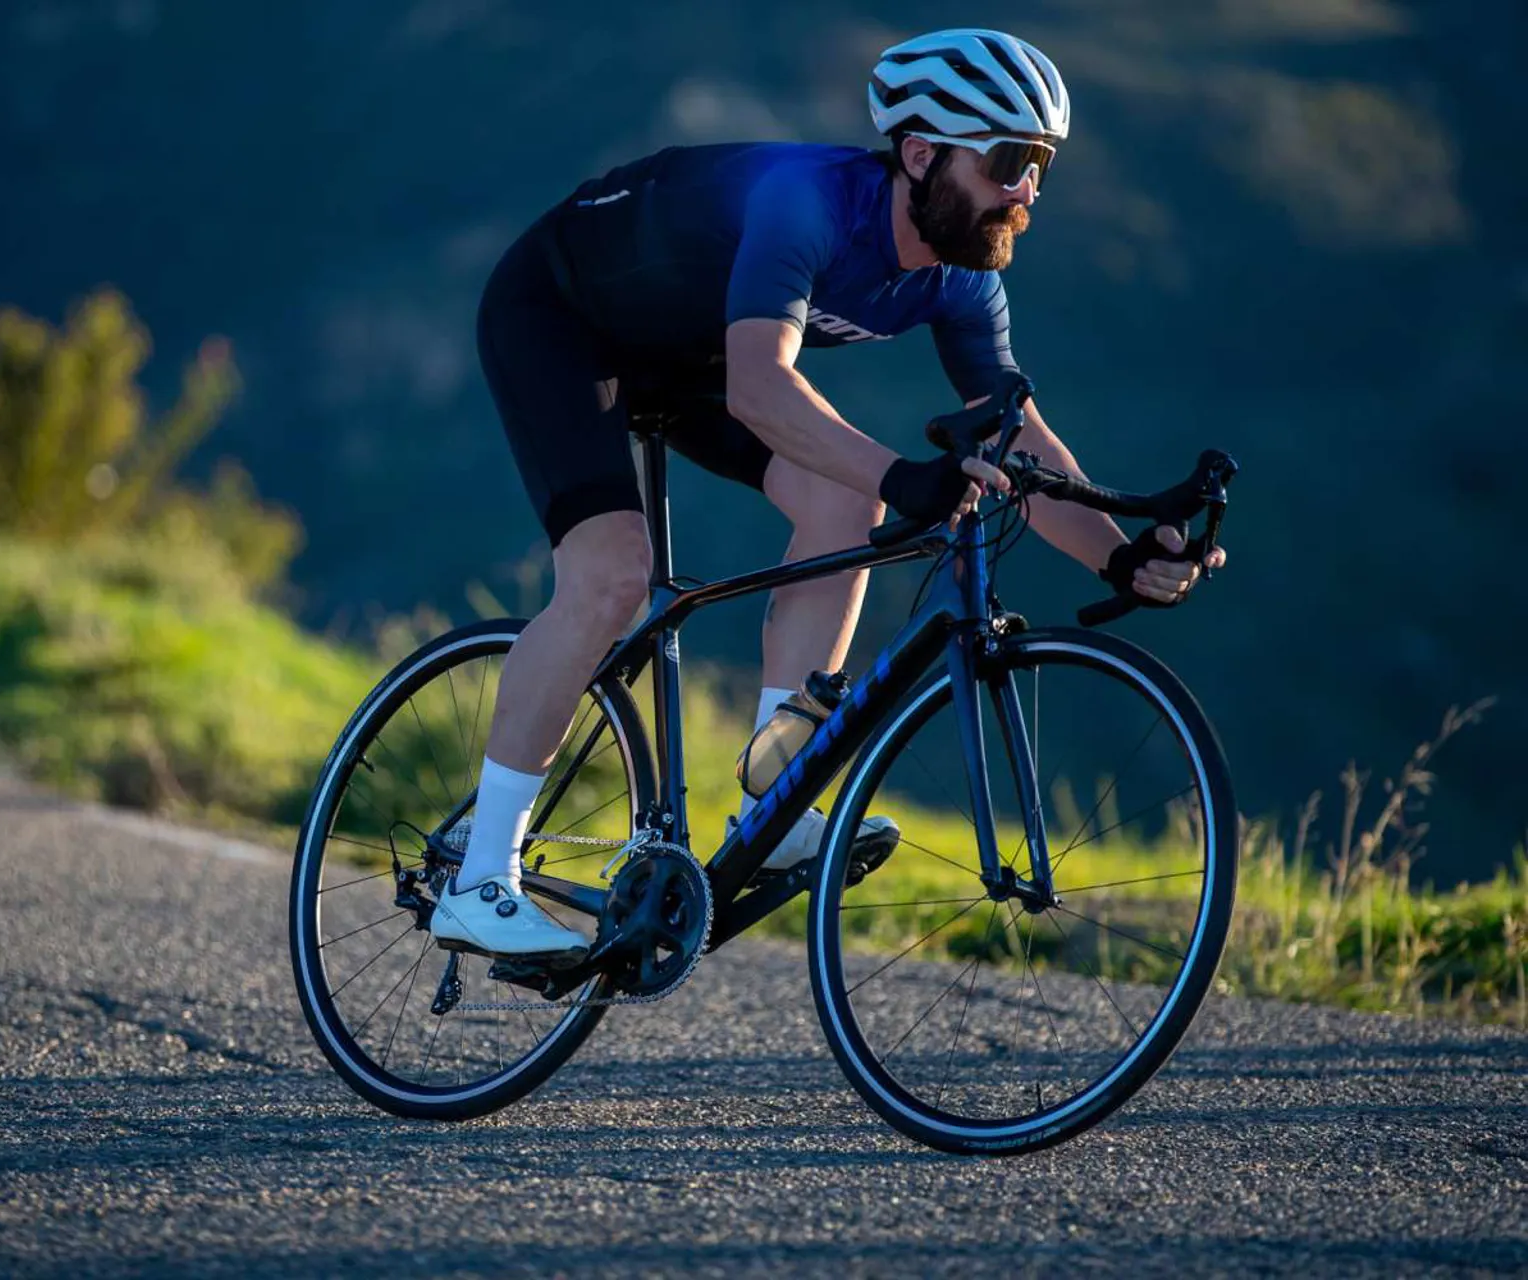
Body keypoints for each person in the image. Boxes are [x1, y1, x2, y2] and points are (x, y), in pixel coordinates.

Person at [433, 27, 1228, 960]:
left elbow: (1022, 441)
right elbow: (759, 387)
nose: (1027, 192)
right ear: (923, 153)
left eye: (1042, 166)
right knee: (611, 578)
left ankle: (778, 792)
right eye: (1009, 161)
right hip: (561, 320)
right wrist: (905, 475)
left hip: (685, 358)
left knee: (847, 503)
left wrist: (1123, 554)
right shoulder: (806, 204)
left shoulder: (964, 279)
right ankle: (481, 876)